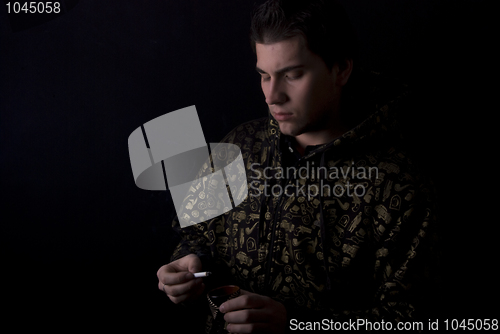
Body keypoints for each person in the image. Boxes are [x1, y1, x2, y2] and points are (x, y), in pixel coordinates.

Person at [157, 0, 438, 333]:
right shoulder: (238, 146)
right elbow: (195, 236)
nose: (272, 96)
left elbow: (411, 317)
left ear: (341, 70)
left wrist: (296, 324)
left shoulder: (399, 183)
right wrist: (189, 266)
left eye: (292, 75)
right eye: (264, 76)